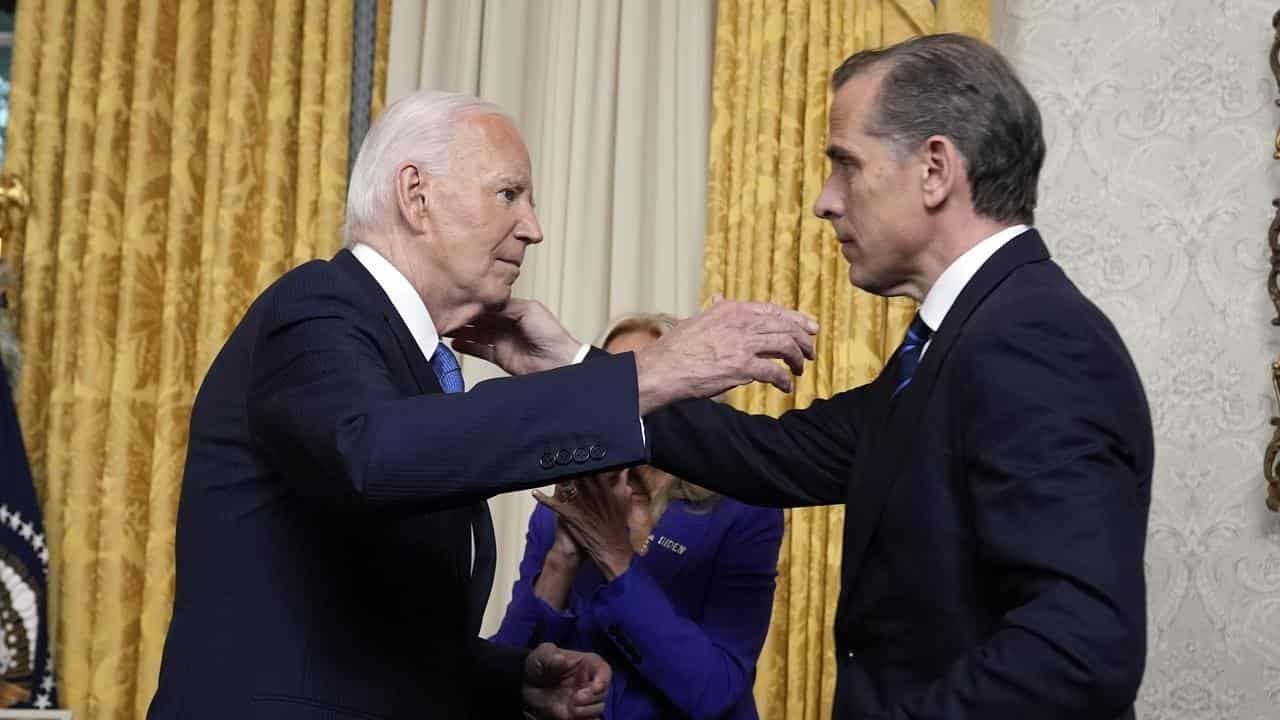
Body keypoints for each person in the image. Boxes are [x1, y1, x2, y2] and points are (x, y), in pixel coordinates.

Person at [474, 35, 1153, 720]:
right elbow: (773, 456)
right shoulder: (964, 341)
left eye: (846, 166)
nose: (825, 201)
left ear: (935, 170)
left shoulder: (1033, 341)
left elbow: (1078, 652)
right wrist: (570, 360)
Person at [146, 91, 818, 720]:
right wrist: (649, 373)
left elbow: (371, 623)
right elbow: (373, 456)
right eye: (509, 194)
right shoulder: (317, 306)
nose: (534, 227)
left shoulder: (410, 361)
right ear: (417, 196)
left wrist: (510, 676)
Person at [493, 313, 784, 720]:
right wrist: (562, 558)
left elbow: (715, 690)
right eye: (608, 379)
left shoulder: (744, 510)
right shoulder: (569, 500)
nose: (621, 396)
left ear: (691, 396)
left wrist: (616, 559)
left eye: (642, 375)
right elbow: (507, 670)